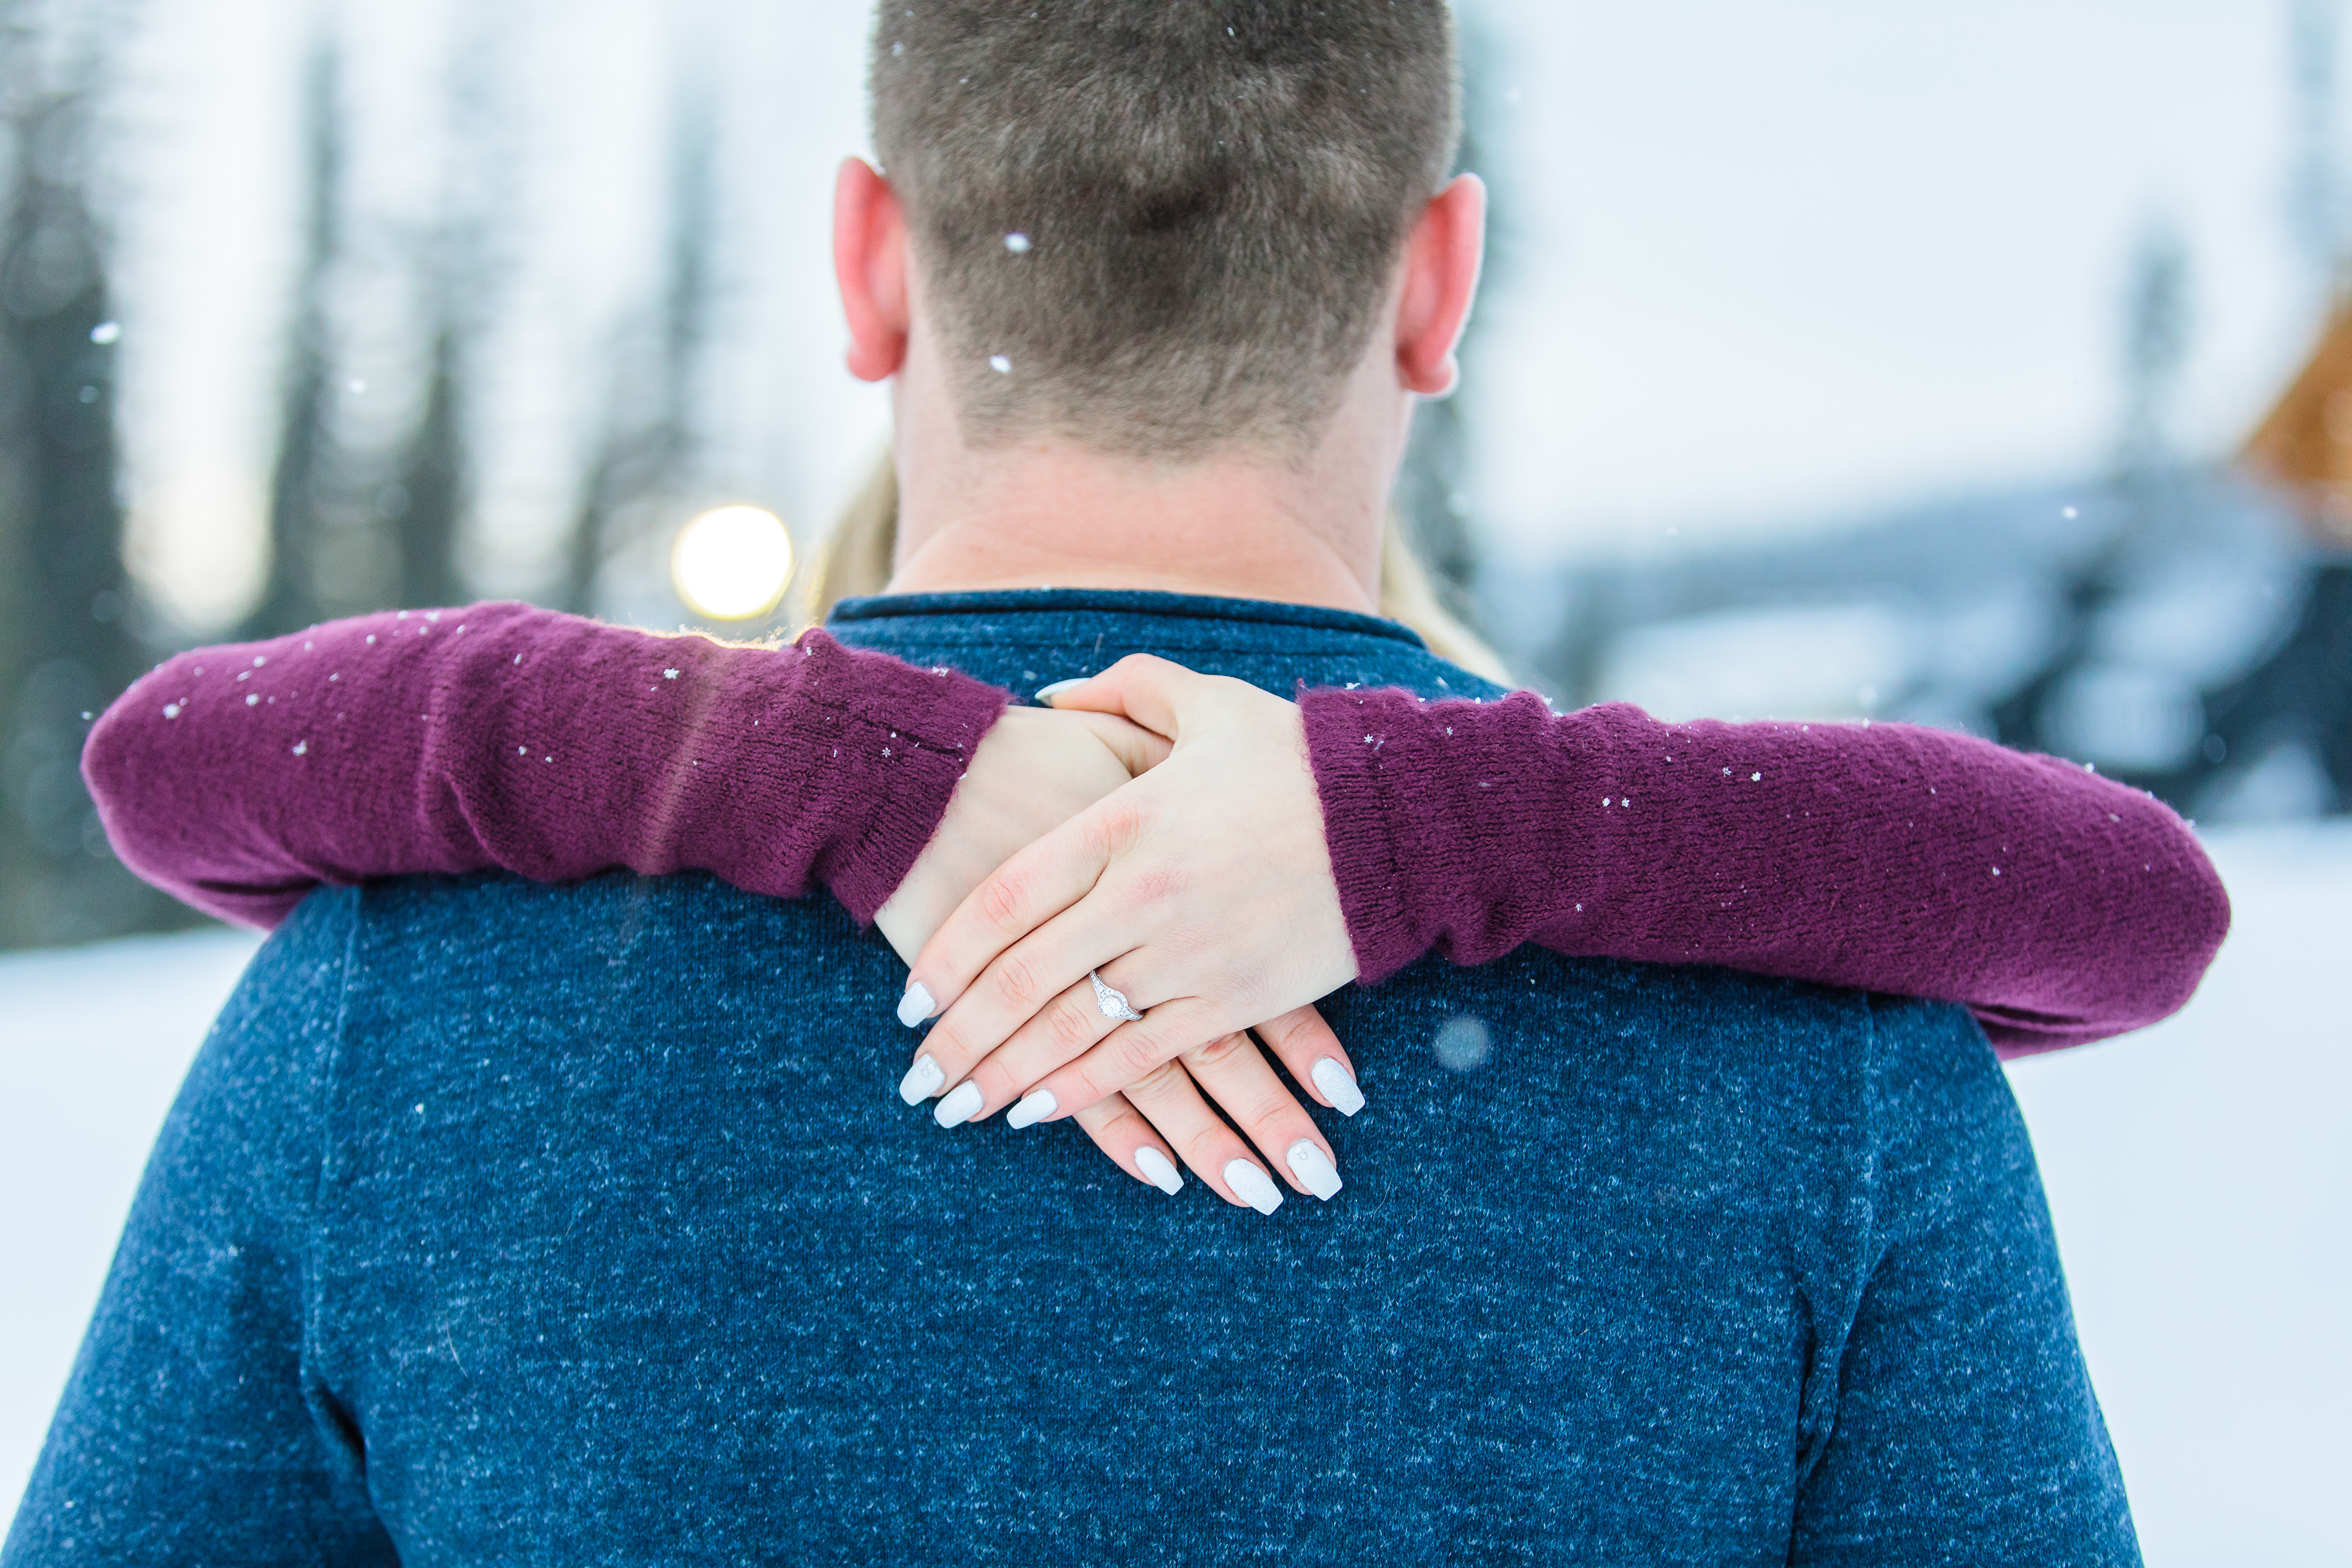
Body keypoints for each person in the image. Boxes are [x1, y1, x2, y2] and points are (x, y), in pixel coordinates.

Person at [10, 4, 2170, 1560]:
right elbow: (2127, 909)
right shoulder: (1829, 1056)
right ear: (1437, 288)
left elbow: (184, 770)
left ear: (869, 262)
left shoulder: (399, 1007)